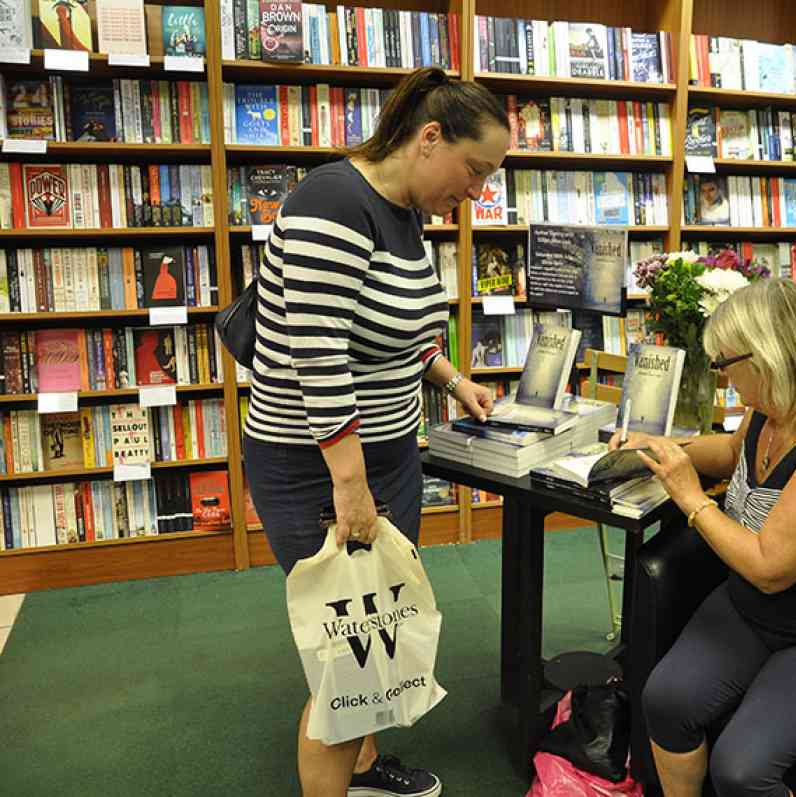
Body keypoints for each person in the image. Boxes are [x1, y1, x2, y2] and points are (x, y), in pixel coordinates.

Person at [241, 66, 510, 797]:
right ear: (430, 139)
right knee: (351, 656)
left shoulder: (405, 209)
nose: (478, 191)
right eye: (474, 169)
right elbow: (319, 354)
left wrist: (454, 378)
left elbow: (398, 329)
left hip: (384, 455)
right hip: (320, 466)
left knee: (379, 632)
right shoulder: (333, 201)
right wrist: (351, 486)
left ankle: (361, 769)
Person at [612, 278, 796, 797]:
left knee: (743, 769)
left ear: (768, 356)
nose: (721, 377)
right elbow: (729, 454)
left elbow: (771, 569)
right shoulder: (768, 410)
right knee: (666, 700)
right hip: (752, 610)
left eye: (725, 363)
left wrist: (689, 497)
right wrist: (659, 449)